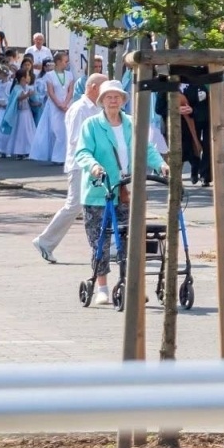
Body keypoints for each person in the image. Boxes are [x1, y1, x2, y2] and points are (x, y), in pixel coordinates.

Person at [73, 80, 165, 305]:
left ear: (124, 100)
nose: (113, 100)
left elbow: (147, 149)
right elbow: (83, 152)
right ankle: (102, 288)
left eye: (117, 97)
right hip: (99, 192)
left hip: (126, 191)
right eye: (108, 97)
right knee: (100, 242)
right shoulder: (92, 125)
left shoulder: (132, 124)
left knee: (130, 242)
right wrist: (93, 166)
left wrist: (161, 164)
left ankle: (131, 285)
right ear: (101, 101)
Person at [33, 73, 105, 262]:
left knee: (101, 203)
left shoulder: (96, 108)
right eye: (104, 88)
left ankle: (108, 246)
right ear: (94, 87)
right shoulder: (79, 108)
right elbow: (75, 139)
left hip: (93, 164)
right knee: (75, 205)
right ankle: (45, 241)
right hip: (80, 164)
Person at [29, 51, 76, 165]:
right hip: (54, 106)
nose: (67, 63)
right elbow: (51, 92)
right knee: (56, 130)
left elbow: (70, 90)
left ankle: (64, 157)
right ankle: (56, 156)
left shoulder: (69, 75)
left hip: (66, 105)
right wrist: (59, 104)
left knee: (66, 130)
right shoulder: (49, 75)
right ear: (58, 61)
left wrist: (65, 103)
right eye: (65, 61)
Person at [0, 65, 37, 160]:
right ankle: (20, 151)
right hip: (21, 114)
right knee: (21, 133)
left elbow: (31, 99)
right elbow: (18, 98)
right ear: (23, 78)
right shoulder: (17, 88)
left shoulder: (27, 87)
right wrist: (27, 95)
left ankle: (28, 150)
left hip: (27, 112)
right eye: (28, 75)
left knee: (29, 132)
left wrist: (35, 102)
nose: (29, 77)